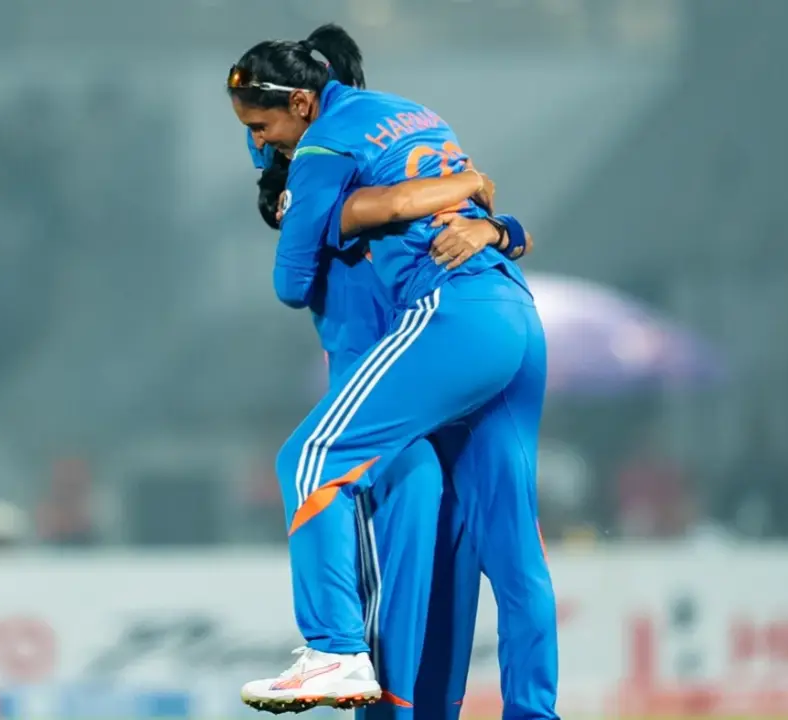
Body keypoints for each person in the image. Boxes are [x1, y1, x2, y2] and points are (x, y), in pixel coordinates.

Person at [228, 24, 557, 720]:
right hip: (507, 314)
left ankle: (336, 652)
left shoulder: (324, 180)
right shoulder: (404, 130)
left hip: (435, 354)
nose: (262, 143)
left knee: (322, 471)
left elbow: (294, 280)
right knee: (504, 556)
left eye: (264, 128)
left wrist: (313, 219)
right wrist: (486, 207)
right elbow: (474, 209)